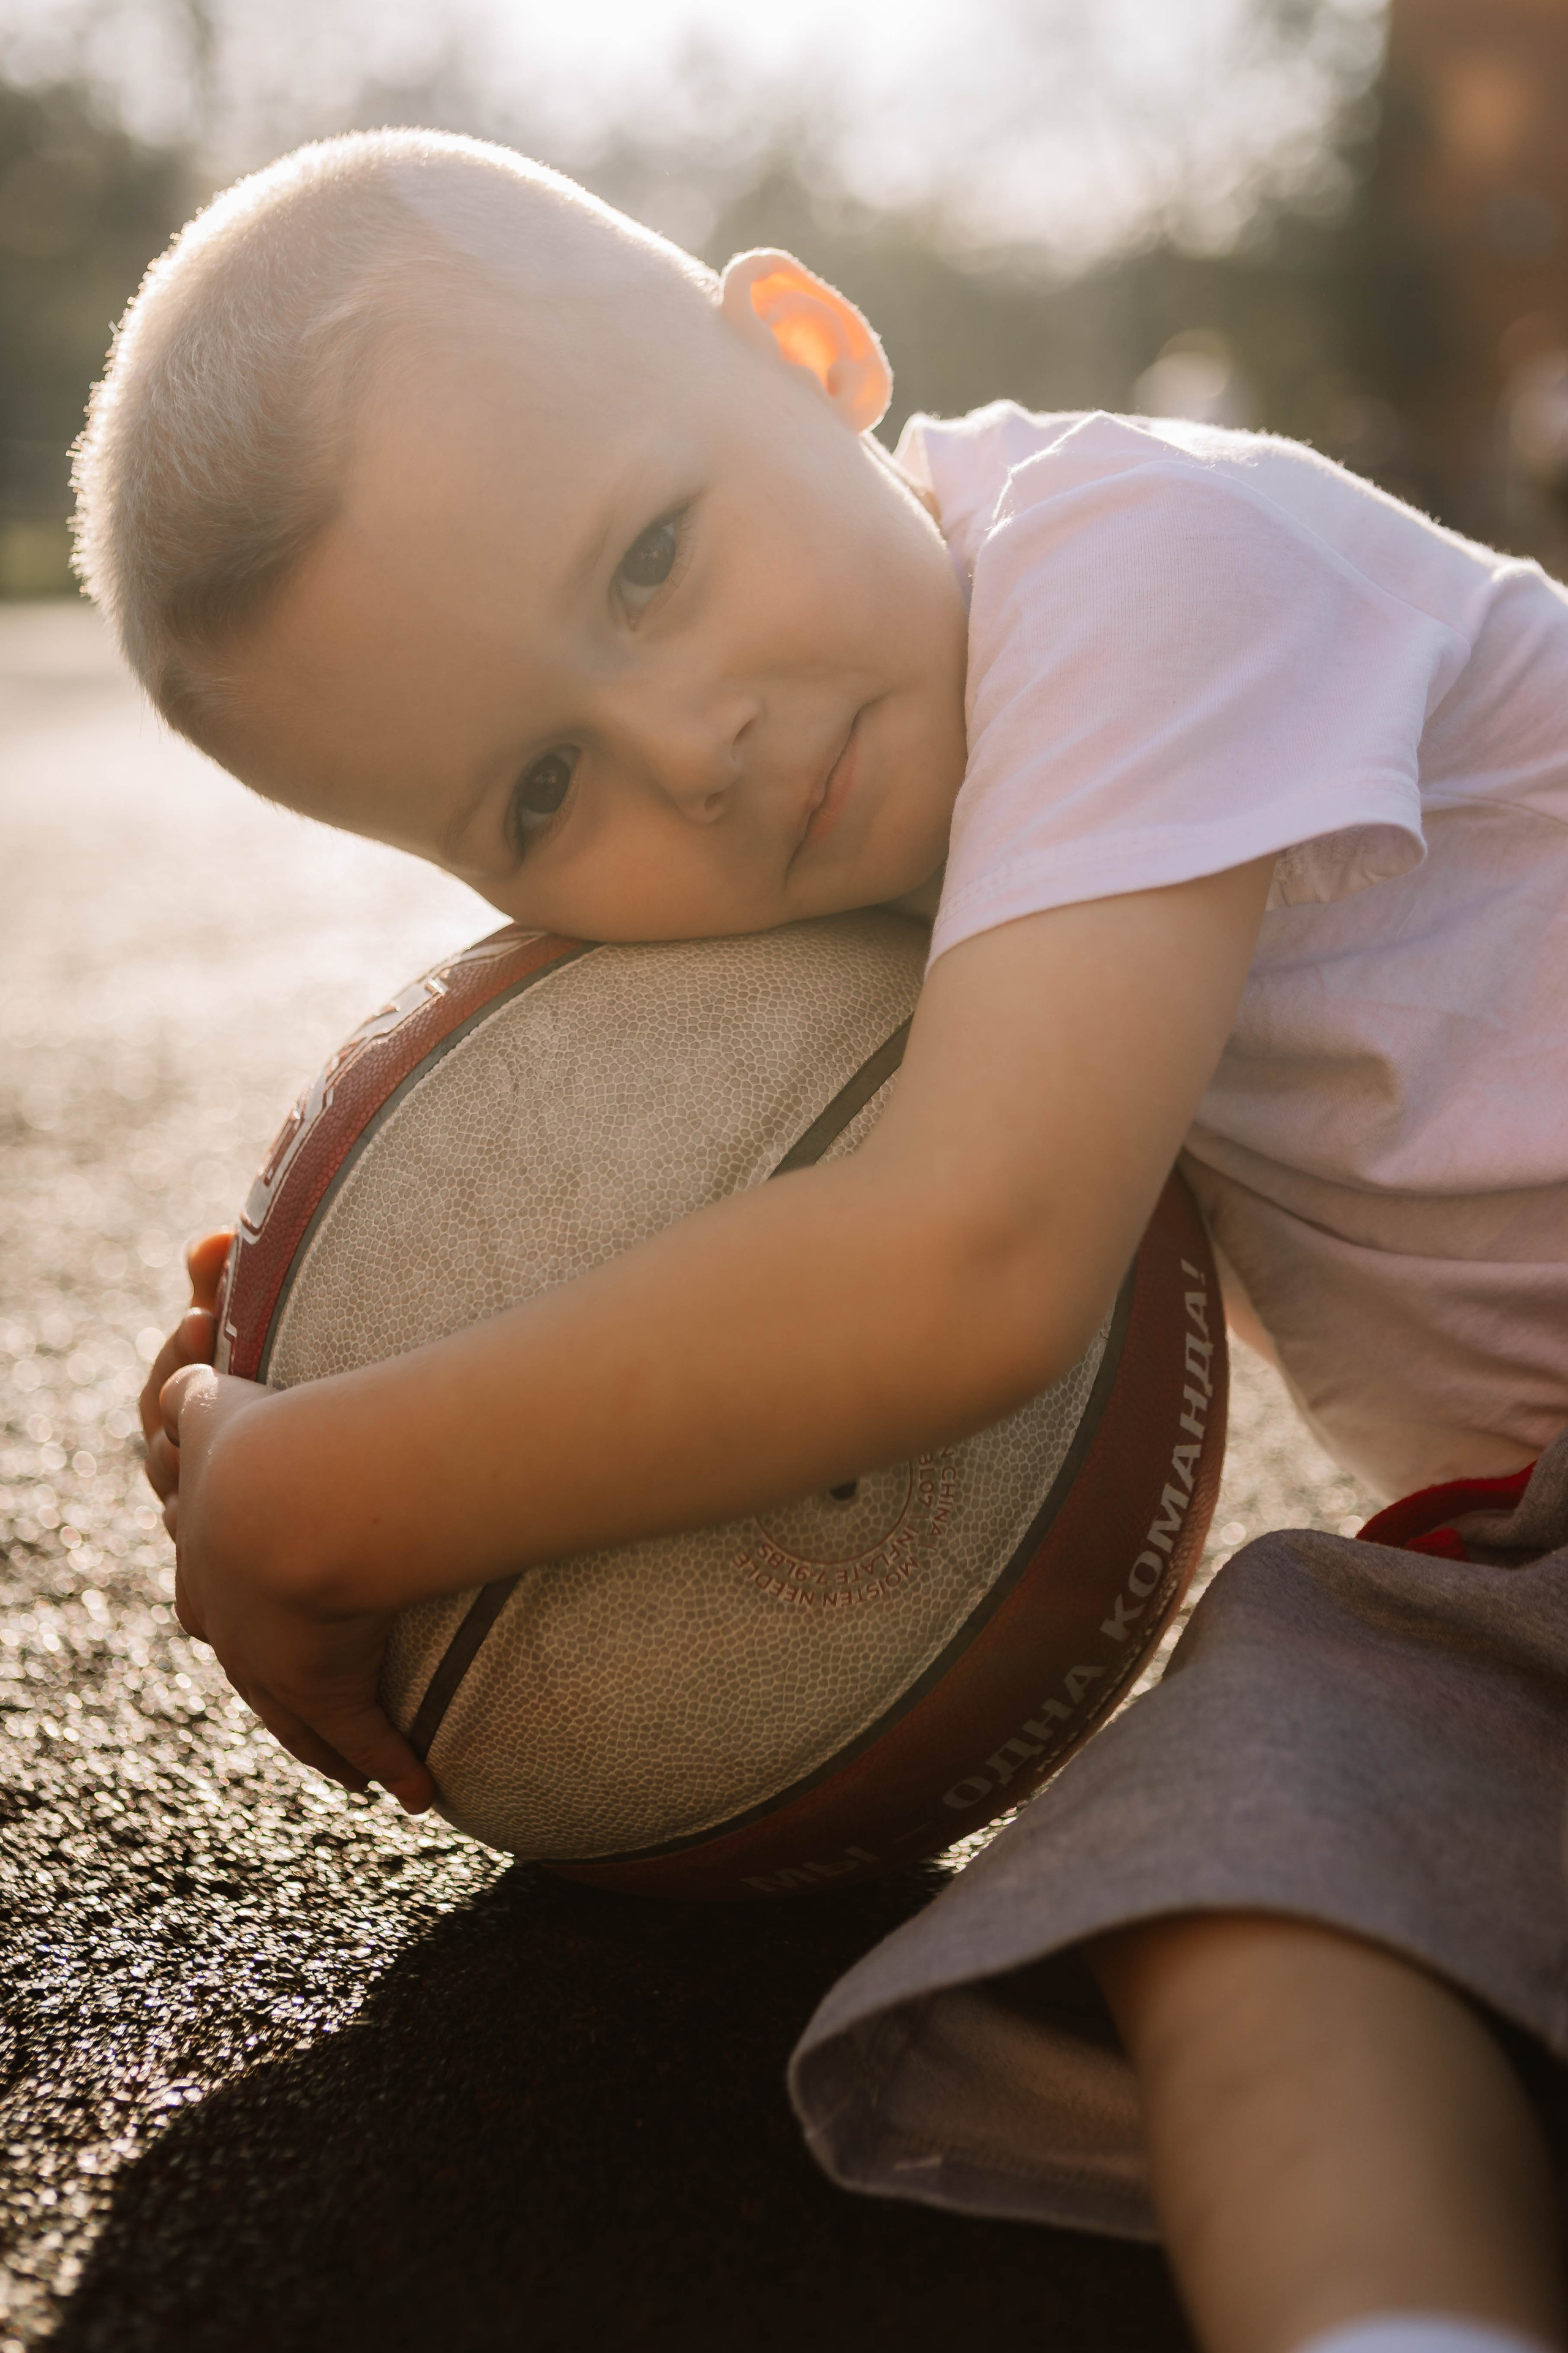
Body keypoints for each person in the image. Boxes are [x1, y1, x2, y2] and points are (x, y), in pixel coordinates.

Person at [81, 131, 1566, 2353]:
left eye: (651, 559)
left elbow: (966, 1258)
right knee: (1238, 1845)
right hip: (1530, 1552)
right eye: (542, 792)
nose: (691, 747)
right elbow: (684, 1187)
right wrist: (346, 1340)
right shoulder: (886, 848)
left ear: (807, 348)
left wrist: (320, 1488)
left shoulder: (1147, 560)